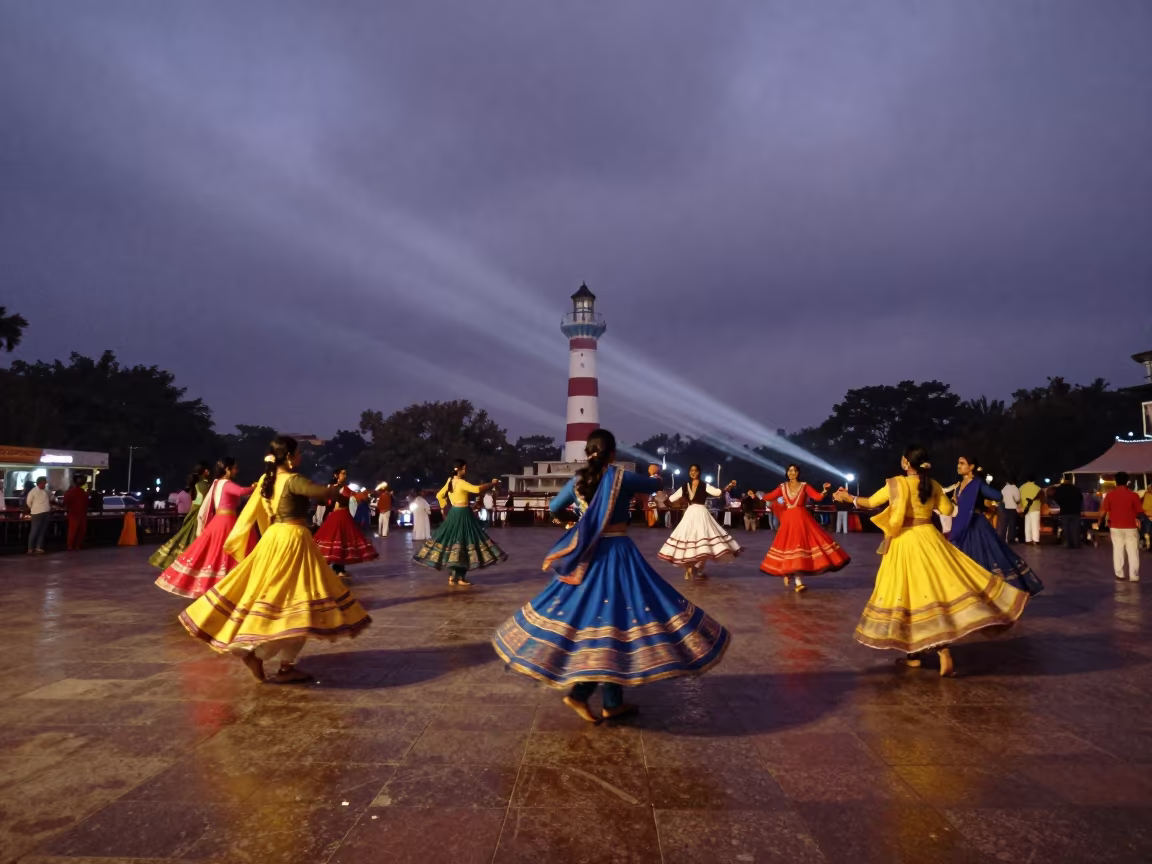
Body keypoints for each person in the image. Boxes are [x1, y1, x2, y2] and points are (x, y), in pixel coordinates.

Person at [494, 429, 730, 722]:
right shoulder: (622, 477)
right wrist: (657, 473)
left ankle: (611, 701)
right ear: (613, 454)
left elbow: (555, 508)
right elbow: (654, 484)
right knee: (620, 619)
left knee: (593, 619)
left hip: (588, 556)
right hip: (619, 553)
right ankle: (586, 694)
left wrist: (580, 525)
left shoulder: (578, 480)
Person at [180, 436, 371, 683]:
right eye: (299, 453)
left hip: (274, 538)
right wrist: (343, 490)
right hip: (292, 541)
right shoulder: (292, 480)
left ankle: (281, 664)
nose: (301, 457)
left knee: (295, 608)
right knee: (297, 608)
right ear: (289, 456)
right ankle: (259, 654)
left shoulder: (266, 480)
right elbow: (320, 492)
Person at [834, 445, 1028, 676]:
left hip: (905, 542)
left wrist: (848, 497)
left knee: (907, 595)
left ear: (906, 462)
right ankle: (923, 652)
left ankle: (929, 651)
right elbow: (947, 510)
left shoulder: (896, 483)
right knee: (934, 590)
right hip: (929, 538)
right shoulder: (933, 484)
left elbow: (872, 502)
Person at [155, 458, 257, 598]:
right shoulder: (226, 483)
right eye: (234, 468)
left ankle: (218, 583)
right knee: (230, 551)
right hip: (226, 522)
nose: (236, 471)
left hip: (219, 521)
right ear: (227, 469)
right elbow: (241, 491)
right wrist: (257, 485)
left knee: (216, 552)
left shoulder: (215, 484)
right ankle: (227, 583)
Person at [949, 455, 1043, 596]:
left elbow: (998, 496)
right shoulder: (958, 485)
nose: (958, 466)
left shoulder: (977, 483)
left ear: (971, 467)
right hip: (962, 526)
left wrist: (981, 496)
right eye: (958, 463)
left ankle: (995, 591)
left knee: (989, 557)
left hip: (977, 526)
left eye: (962, 463)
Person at [758, 464, 850, 592]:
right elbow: (769, 497)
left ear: (798, 473)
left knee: (801, 547)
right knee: (790, 547)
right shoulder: (782, 487)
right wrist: (758, 495)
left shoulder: (804, 486)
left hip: (803, 520)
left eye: (794, 471)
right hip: (789, 521)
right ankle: (792, 576)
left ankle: (796, 580)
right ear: (787, 473)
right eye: (789, 470)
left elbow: (817, 497)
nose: (792, 473)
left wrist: (824, 490)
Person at [414, 460, 506, 586]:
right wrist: (492, 483)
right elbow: (476, 489)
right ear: (460, 469)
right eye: (464, 468)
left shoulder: (450, 481)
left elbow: (440, 495)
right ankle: (460, 577)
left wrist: (444, 509)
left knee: (454, 542)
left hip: (453, 513)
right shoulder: (461, 482)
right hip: (463, 514)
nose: (466, 471)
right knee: (465, 541)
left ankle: (453, 576)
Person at [657, 465, 741, 580]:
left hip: (697, 513)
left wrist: (729, 486)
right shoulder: (687, 487)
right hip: (694, 513)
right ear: (689, 473)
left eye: (695, 471)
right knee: (696, 542)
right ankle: (695, 569)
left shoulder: (701, 486)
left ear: (699, 472)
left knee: (697, 542)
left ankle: (695, 569)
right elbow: (670, 500)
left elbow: (717, 492)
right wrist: (662, 499)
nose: (693, 472)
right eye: (691, 470)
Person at [313, 468, 377, 576]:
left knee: (343, 542)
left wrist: (363, 496)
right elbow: (324, 502)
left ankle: (339, 568)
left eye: (345, 474)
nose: (345, 476)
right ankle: (334, 568)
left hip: (344, 517)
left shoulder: (347, 489)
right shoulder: (331, 488)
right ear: (336, 475)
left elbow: (355, 499)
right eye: (342, 474)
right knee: (333, 542)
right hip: (333, 517)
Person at [150, 463, 212, 570]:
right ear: (205, 472)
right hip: (199, 515)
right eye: (208, 470)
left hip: (193, 514)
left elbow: (196, 502)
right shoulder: (203, 485)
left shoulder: (197, 484)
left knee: (184, 538)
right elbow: (203, 502)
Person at [1099, 472, 1144, 582]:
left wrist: (1099, 522)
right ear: (1127, 482)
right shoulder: (1133, 495)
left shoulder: (1110, 495)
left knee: (1118, 550)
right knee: (1133, 552)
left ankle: (1119, 574)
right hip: (1130, 526)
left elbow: (1104, 510)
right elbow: (1139, 511)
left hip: (1115, 526)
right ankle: (1134, 576)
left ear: (1115, 481)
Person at [1052, 476, 1084, 549]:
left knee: (1066, 528)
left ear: (1063, 480)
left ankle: (1067, 543)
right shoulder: (1076, 489)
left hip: (1065, 511)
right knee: (1075, 528)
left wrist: (1062, 504)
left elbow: (1056, 498)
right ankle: (1076, 544)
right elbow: (1081, 499)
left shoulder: (1060, 489)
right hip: (1075, 511)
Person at [24, 476, 52, 554]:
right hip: (36, 513)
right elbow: (28, 502)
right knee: (34, 530)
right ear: (39, 483)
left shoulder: (47, 491)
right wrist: (33, 508)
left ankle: (39, 547)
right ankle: (30, 548)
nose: (45, 484)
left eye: (45, 483)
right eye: (44, 483)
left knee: (42, 531)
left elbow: (53, 498)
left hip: (46, 512)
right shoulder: (33, 491)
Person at [62, 474, 89, 551]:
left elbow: (65, 502)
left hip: (73, 513)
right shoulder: (83, 492)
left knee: (73, 530)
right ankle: (77, 545)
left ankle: (70, 546)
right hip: (81, 514)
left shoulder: (70, 492)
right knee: (81, 530)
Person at [1018, 475, 1044, 545]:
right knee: (1035, 525)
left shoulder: (1021, 487)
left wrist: (1020, 507)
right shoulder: (1037, 488)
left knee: (1027, 525)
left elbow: (1019, 498)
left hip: (1025, 509)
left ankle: (1028, 540)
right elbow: (1042, 498)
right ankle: (1036, 540)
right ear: (1034, 480)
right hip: (1035, 508)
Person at [999, 479, 1020, 544]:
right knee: (1012, 524)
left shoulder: (1004, 488)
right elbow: (1017, 499)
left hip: (1004, 507)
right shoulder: (1015, 488)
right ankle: (1011, 539)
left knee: (1004, 524)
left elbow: (1001, 497)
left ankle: (1003, 538)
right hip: (1012, 508)